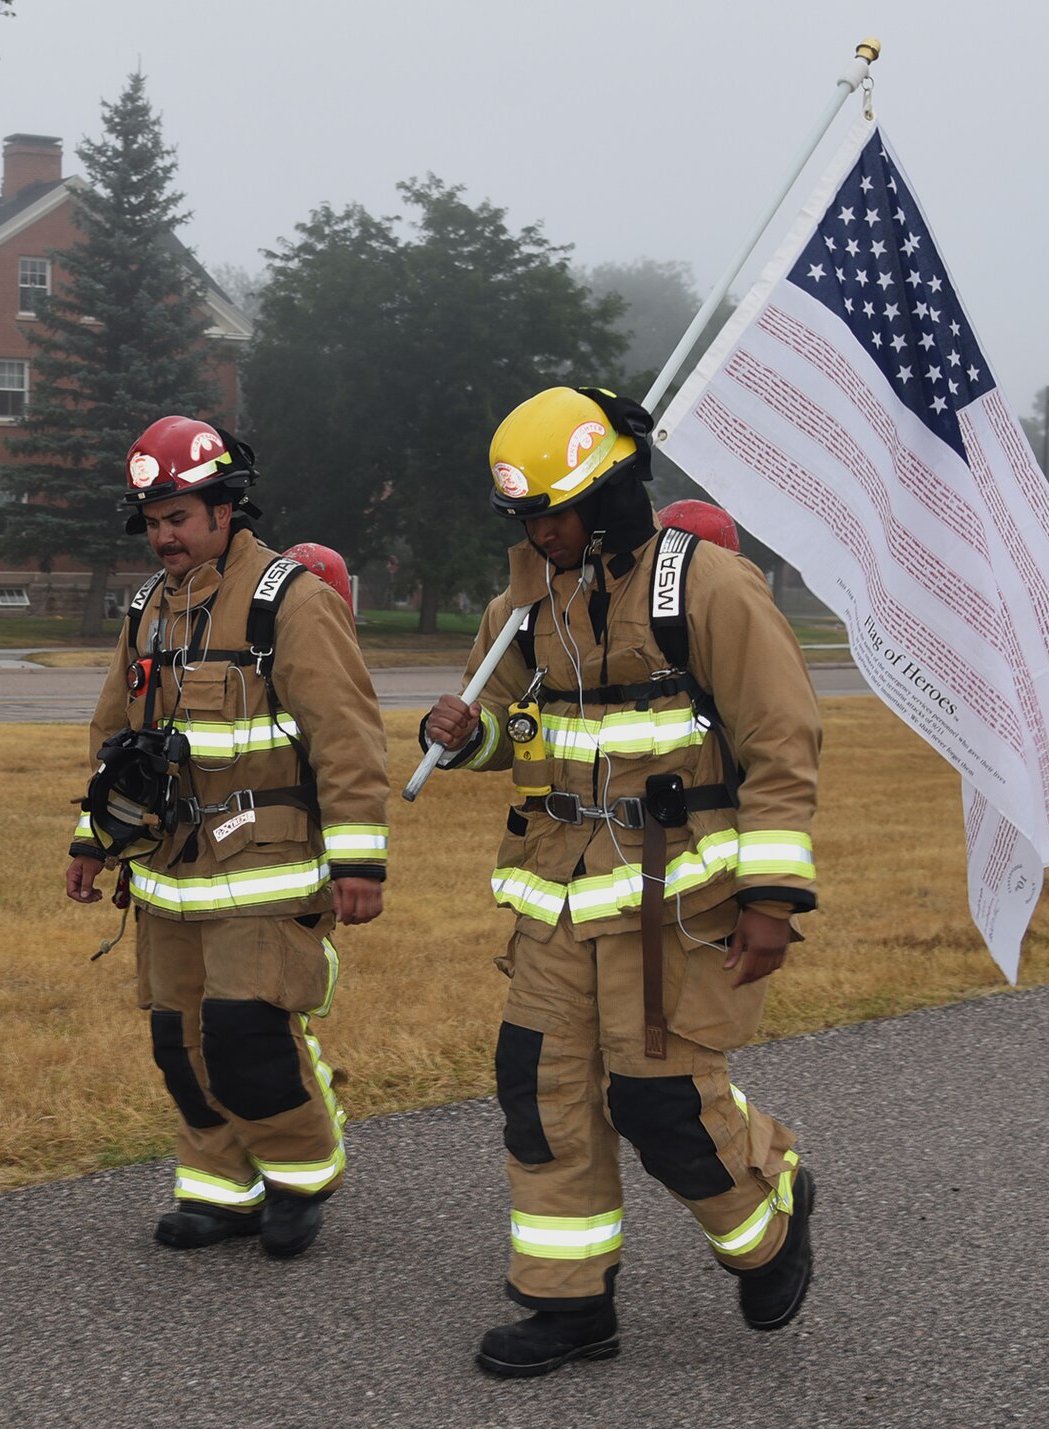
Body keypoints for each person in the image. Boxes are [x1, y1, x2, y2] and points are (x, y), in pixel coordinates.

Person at [421, 386, 822, 1377]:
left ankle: (768, 1213)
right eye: (522, 517)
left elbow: (779, 744)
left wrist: (770, 897)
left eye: (550, 511)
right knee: (539, 1093)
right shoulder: (524, 602)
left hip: (667, 911)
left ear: (608, 494)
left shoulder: (711, 588)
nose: (536, 531)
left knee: (660, 1109)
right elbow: (512, 734)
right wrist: (465, 739)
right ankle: (567, 1305)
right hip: (553, 897)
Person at [66, 415, 390, 1260]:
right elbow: (114, 736)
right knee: (179, 1041)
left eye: (178, 516)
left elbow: (347, 737)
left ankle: (299, 1173)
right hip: (168, 873)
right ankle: (220, 1186)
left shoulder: (293, 600)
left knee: (247, 1034)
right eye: (152, 520)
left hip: (266, 866)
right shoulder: (147, 608)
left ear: (225, 509)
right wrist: (90, 840)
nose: (163, 536)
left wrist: (360, 858)